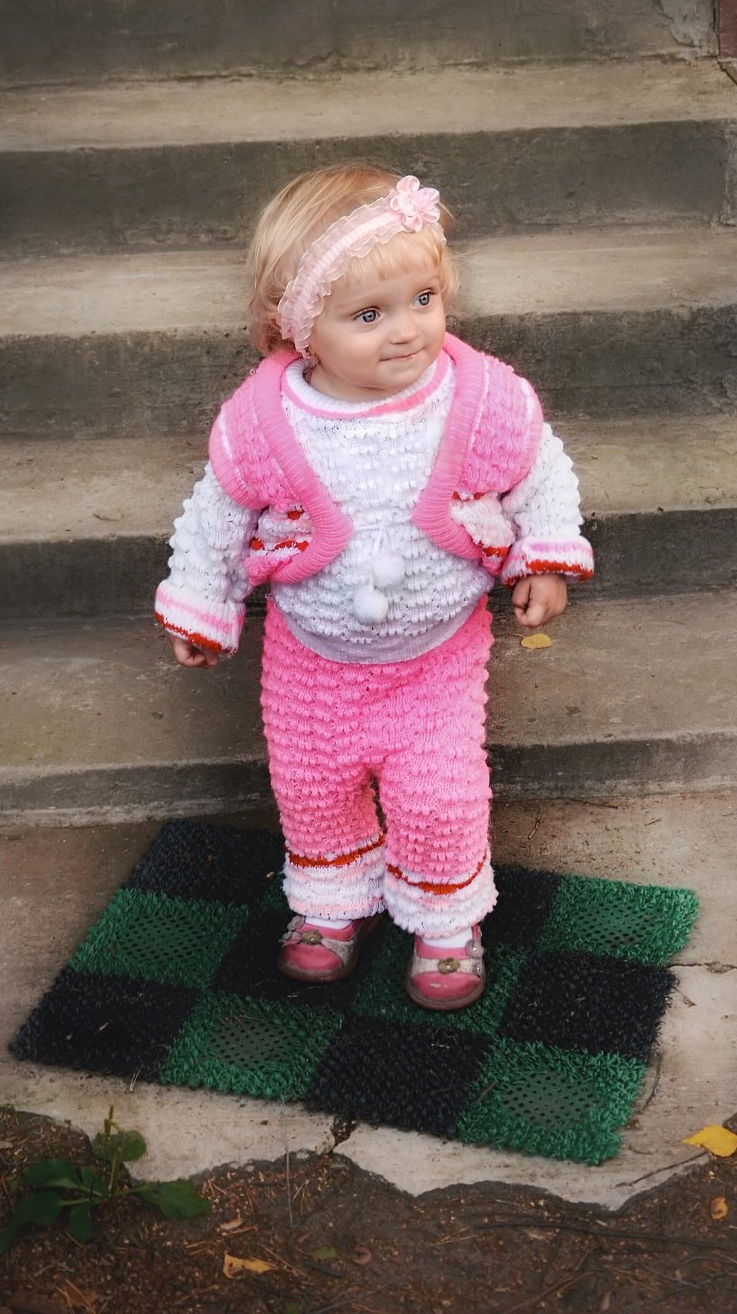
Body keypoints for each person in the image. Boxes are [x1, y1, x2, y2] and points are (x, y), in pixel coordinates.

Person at [155, 165, 593, 1011]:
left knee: (439, 791)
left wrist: (541, 557)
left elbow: (540, 473)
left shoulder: (476, 402)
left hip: (436, 656)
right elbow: (216, 518)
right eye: (367, 315)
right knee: (315, 787)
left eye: (422, 299)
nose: (405, 331)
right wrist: (202, 609)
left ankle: (444, 919)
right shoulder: (267, 423)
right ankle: (328, 908)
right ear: (300, 328)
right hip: (311, 657)